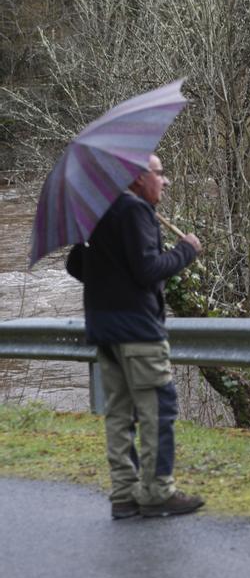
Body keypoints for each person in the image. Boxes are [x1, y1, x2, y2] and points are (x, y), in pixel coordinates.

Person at [66, 154, 205, 519]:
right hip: (138, 331)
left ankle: (124, 495)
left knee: (119, 414)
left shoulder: (98, 210)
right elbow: (148, 271)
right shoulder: (135, 211)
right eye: (160, 174)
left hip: (104, 330)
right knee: (158, 411)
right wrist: (185, 251)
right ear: (138, 178)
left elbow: (74, 265)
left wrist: (111, 283)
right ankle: (158, 492)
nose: (166, 181)